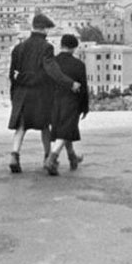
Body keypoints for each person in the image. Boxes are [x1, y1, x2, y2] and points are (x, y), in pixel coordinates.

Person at [8, 14, 81, 173]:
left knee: (20, 127)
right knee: (45, 127)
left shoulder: (18, 48)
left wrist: (14, 95)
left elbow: (11, 75)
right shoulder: (46, 48)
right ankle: (48, 158)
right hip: (40, 94)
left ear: (32, 27)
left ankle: (14, 155)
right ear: (44, 29)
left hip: (21, 93)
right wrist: (70, 83)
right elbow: (51, 70)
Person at [44, 35, 89, 176]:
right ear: (74, 48)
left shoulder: (52, 63)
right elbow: (83, 88)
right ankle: (52, 158)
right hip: (71, 101)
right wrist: (84, 107)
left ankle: (72, 157)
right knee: (66, 131)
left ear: (61, 45)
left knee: (64, 129)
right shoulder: (79, 65)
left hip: (53, 101)